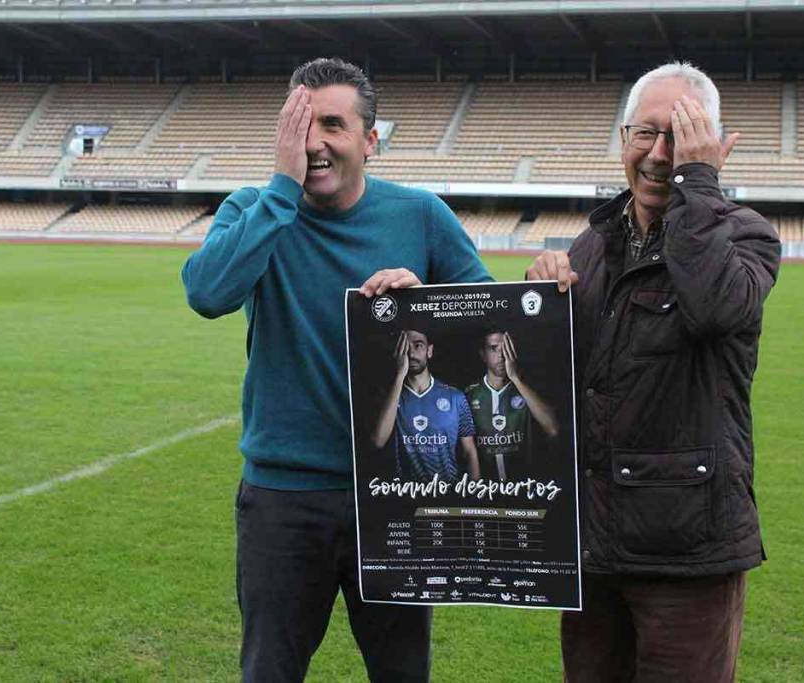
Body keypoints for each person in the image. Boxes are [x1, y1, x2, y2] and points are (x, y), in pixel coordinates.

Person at [181, 57, 490, 683]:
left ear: (370, 141)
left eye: (332, 124)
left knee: (402, 671)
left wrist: (426, 301)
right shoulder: (254, 207)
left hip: (396, 494)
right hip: (283, 498)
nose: (314, 143)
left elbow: (493, 327)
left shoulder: (421, 215)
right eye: (299, 125)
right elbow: (209, 293)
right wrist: (280, 191)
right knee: (270, 670)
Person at [525, 61, 781, 682]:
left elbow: (716, 306)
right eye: (646, 134)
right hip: (595, 547)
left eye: (681, 137)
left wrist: (701, 185)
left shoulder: (746, 237)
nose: (659, 154)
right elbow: (555, 383)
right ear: (622, 140)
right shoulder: (593, 246)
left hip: (686, 553)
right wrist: (540, 296)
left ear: (712, 149)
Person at [371, 329, 481, 482]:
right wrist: (400, 375)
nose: (411, 354)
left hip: (448, 492)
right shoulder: (389, 398)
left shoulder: (455, 397)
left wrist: (475, 494)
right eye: (405, 347)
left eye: (418, 345)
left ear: (429, 351)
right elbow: (378, 441)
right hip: (407, 495)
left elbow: (469, 452)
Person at [463, 330, 559, 480]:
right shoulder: (469, 396)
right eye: (494, 349)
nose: (501, 356)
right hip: (486, 492)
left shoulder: (527, 390)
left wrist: (515, 378)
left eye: (506, 348)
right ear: (483, 355)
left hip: (525, 488)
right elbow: (465, 451)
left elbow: (553, 429)